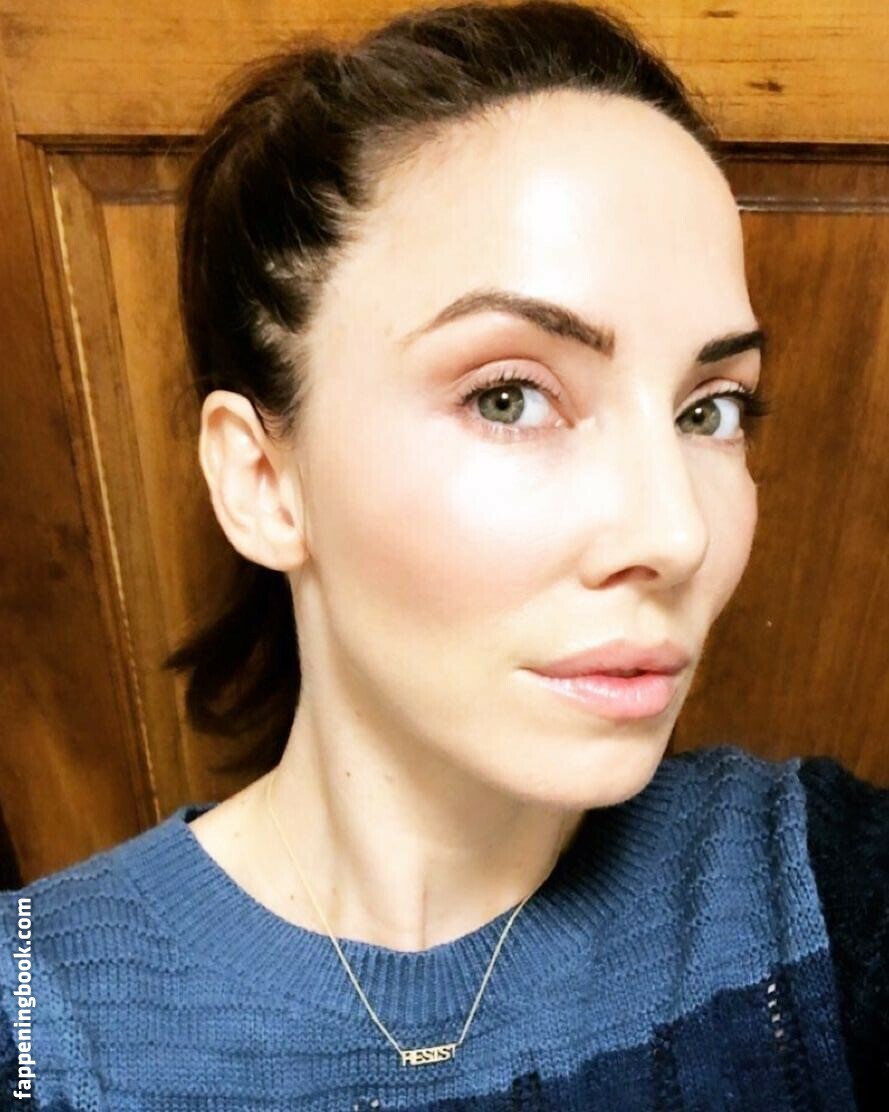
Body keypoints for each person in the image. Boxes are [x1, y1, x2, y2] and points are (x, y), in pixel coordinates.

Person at [1, 2, 886, 1108]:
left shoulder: (818, 890)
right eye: (509, 396)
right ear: (264, 481)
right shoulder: (40, 1019)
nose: (676, 534)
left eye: (710, 410)